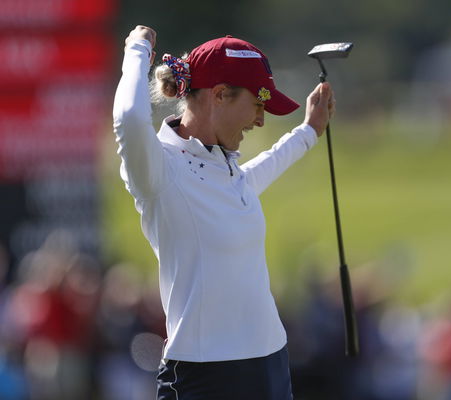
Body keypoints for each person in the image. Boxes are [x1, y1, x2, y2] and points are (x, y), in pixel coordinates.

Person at [113, 25, 335, 400]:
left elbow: (259, 173)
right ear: (218, 95)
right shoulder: (158, 169)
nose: (261, 120)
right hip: (206, 377)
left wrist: (309, 132)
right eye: (258, 104)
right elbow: (130, 119)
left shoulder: (226, 167)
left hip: (270, 363)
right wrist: (137, 49)